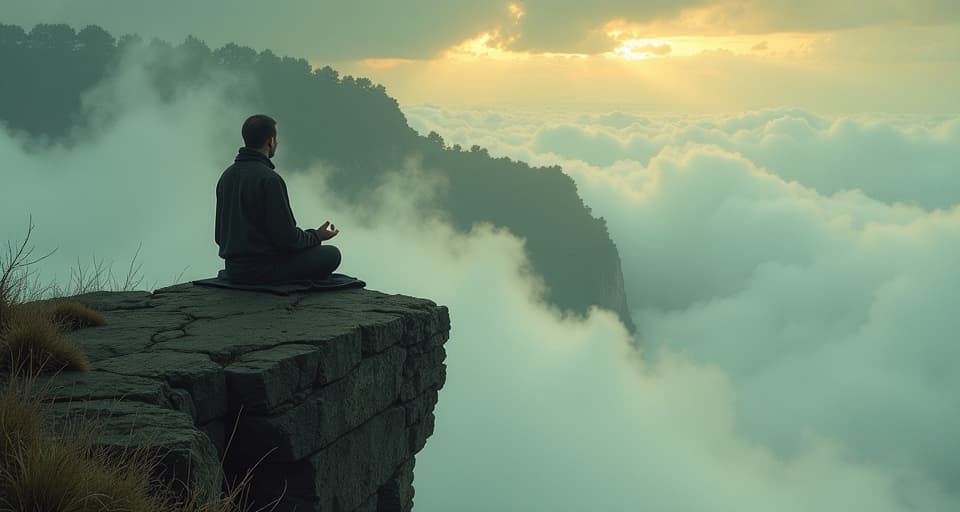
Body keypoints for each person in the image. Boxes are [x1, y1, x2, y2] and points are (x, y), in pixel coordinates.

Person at [215, 114, 341, 284]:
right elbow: (286, 239)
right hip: (262, 270)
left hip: (234, 270)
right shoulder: (269, 179)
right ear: (270, 141)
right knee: (331, 254)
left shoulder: (226, 176)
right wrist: (316, 236)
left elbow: (219, 237)